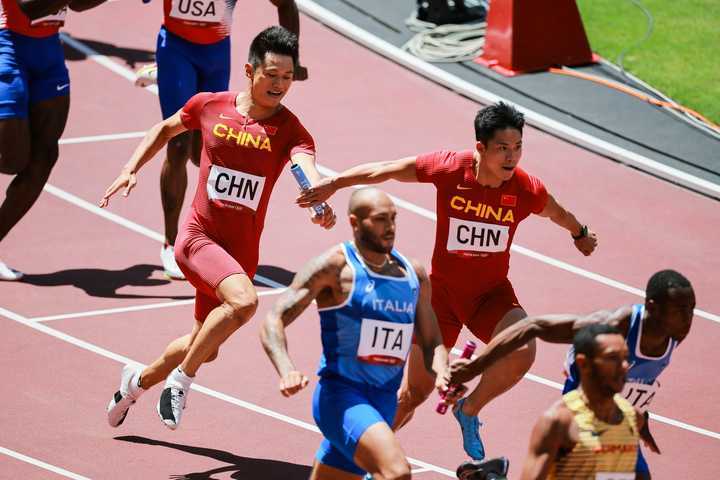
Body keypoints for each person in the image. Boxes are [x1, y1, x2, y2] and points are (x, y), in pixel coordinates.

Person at [295, 101, 598, 459]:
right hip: (441, 300)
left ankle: (468, 410)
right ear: (481, 148)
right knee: (411, 397)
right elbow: (387, 170)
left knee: (523, 346)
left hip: (491, 296)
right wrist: (333, 183)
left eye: (518, 147)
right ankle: (348, 458)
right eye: (502, 148)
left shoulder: (525, 188)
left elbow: (557, 212)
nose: (511, 157)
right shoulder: (450, 168)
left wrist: (580, 233)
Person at [101, 26, 335, 431]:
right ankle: (180, 383)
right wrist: (130, 168)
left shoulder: (292, 131)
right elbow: (164, 129)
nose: (280, 84)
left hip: (240, 251)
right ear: (250, 70)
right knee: (244, 303)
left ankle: (134, 384)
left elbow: (306, 169)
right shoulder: (210, 105)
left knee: (202, 345)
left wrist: (321, 200)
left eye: (287, 77)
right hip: (197, 238)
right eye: (272, 74)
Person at [261, 187, 454, 480]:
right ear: (354, 222)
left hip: (384, 402)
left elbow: (431, 340)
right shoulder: (335, 268)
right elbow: (273, 319)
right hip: (342, 397)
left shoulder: (412, 274)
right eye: (379, 220)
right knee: (396, 472)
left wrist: (442, 372)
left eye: (393, 218)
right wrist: (286, 368)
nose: (389, 228)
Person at [449, 269, 694, 479]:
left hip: (619, 414)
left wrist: (642, 418)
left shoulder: (675, 332)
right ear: (653, 307)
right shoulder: (614, 325)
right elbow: (533, 326)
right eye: (680, 310)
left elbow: (640, 380)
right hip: (583, 405)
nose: (688, 318)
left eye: (691, 309)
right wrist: (475, 366)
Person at [149, 0, 309, 279]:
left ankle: (169, 80)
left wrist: (292, 58)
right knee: (178, 144)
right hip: (175, 48)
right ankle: (172, 241)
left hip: (215, 53)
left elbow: (285, 3)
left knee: (201, 149)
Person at [0, 0, 108, 280]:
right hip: (7, 45)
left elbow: (80, 5)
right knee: (12, 160)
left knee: (45, 158)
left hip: (48, 50)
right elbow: (30, 7)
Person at [518, 324, 657, 480]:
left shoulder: (632, 418)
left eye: (625, 358)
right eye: (612, 358)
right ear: (584, 364)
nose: (625, 366)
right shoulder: (559, 422)